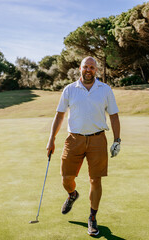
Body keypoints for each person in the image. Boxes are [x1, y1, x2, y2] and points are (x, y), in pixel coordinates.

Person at [46, 56, 121, 236]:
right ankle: (72, 194)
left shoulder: (105, 90)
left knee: (95, 180)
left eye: (92, 67)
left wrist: (117, 140)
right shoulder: (70, 89)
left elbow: (114, 116)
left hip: (97, 140)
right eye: (85, 67)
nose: (89, 70)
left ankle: (92, 217)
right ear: (80, 68)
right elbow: (59, 115)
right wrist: (51, 139)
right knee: (66, 178)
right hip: (74, 139)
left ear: (96, 70)